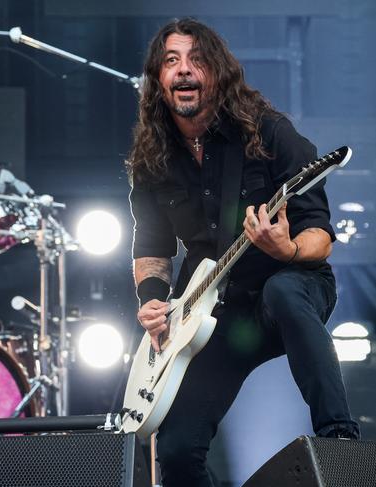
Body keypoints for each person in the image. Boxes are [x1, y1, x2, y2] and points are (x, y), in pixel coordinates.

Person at [127, 18, 359, 487]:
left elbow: (321, 237)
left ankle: (339, 445)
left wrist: (287, 248)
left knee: (284, 291)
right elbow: (151, 248)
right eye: (172, 61)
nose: (185, 71)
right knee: (174, 452)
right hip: (212, 313)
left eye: (197, 60)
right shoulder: (153, 156)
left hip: (291, 286)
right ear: (157, 78)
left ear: (218, 72)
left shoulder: (269, 132)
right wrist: (153, 299)